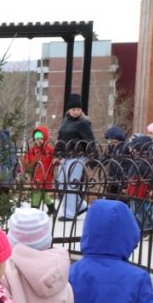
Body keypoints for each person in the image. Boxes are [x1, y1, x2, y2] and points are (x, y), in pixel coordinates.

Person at [55, 93, 95, 222]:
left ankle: (70, 213)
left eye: (78, 109)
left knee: (71, 184)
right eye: (73, 109)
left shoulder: (84, 123)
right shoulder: (65, 120)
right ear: (69, 109)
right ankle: (81, 206)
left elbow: (90, 140)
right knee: (61, 182)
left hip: (79, 156)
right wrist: (57, 154)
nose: (76, 112)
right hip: (66, 156)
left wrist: (93, 157)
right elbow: (60, 138)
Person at [24, 125, 57, 216]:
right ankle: (52, 209)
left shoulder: (50, 150)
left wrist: (56, 160)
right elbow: (27, 161)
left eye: (41, 138)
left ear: (45, 138)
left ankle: (34, 212)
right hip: (35, 176)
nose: (38, 141)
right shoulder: (32, 150)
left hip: (46, 176)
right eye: (36, 138)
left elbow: (55, 160)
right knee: (41, 193)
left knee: (37, 194)